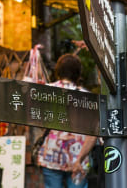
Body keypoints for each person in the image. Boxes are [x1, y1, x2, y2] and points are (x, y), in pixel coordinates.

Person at [37, 54, 92, 188]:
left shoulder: (45, 92)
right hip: (78, 158)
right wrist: (80, 159)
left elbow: (39, 122)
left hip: (51, 154)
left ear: (58, 71)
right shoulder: (87, 97)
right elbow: (92, 134)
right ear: (78, 73)